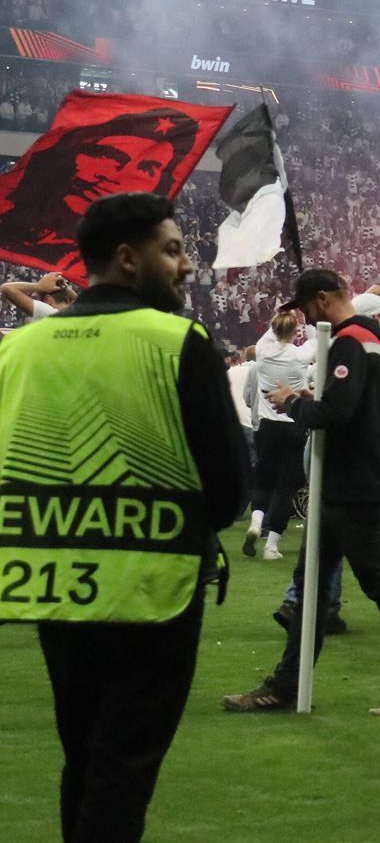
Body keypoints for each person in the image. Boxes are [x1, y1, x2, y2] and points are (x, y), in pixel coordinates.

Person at [0, 192, 248, 842]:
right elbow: (228, 485)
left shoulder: (20, 348)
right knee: (123, 769)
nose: (186, 264)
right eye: (173, 249)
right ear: (128, 259)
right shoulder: (178, 340)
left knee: (82, 755)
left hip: (54, 583)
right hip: (153, 589)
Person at [223, 268, 380, 717]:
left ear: (323, 300)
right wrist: (316, 396)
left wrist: (296, 402)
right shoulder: (371, 340)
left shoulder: (349, 342)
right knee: (311, 586)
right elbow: (352, 405)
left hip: (351, 483)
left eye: (306, 307)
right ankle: (286, 684)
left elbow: (336, 415)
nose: (305, 316)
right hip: (351, 480)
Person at [242, 310, 314, 560]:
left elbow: (269, 333)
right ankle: (271, 546)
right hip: (293, 423)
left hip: (267, 426)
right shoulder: (299, 356)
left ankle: (256, 521)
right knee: (286, 487)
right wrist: (306, 318)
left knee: (264, 478)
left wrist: (281, 311)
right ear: (296, 332)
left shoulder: (262, 351)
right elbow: (318, 338)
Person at [1, 269, 76, 323]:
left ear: (48, 300)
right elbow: (76, 297)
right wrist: (63, 287)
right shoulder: (79, 313)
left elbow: (6, 288)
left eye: (36, 299)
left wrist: (38, 287)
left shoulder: (49, 313)